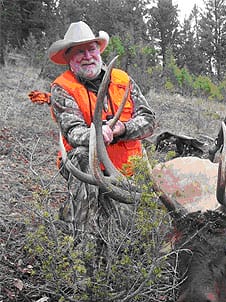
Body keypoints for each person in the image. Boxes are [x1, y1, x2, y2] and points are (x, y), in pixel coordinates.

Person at [47, 21, 155, 235]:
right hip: (90, 171)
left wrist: (121, 129)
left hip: (128, 171)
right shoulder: (62, 88)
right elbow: (72, 131)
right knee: (81, 154)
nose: (87, 56)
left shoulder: (123, 80)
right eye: (79, 51)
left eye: (91, 49)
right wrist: (97, 134)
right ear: (68, 58)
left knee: (136, 232)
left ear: (99, 51)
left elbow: (148, 120)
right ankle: (82, 233)